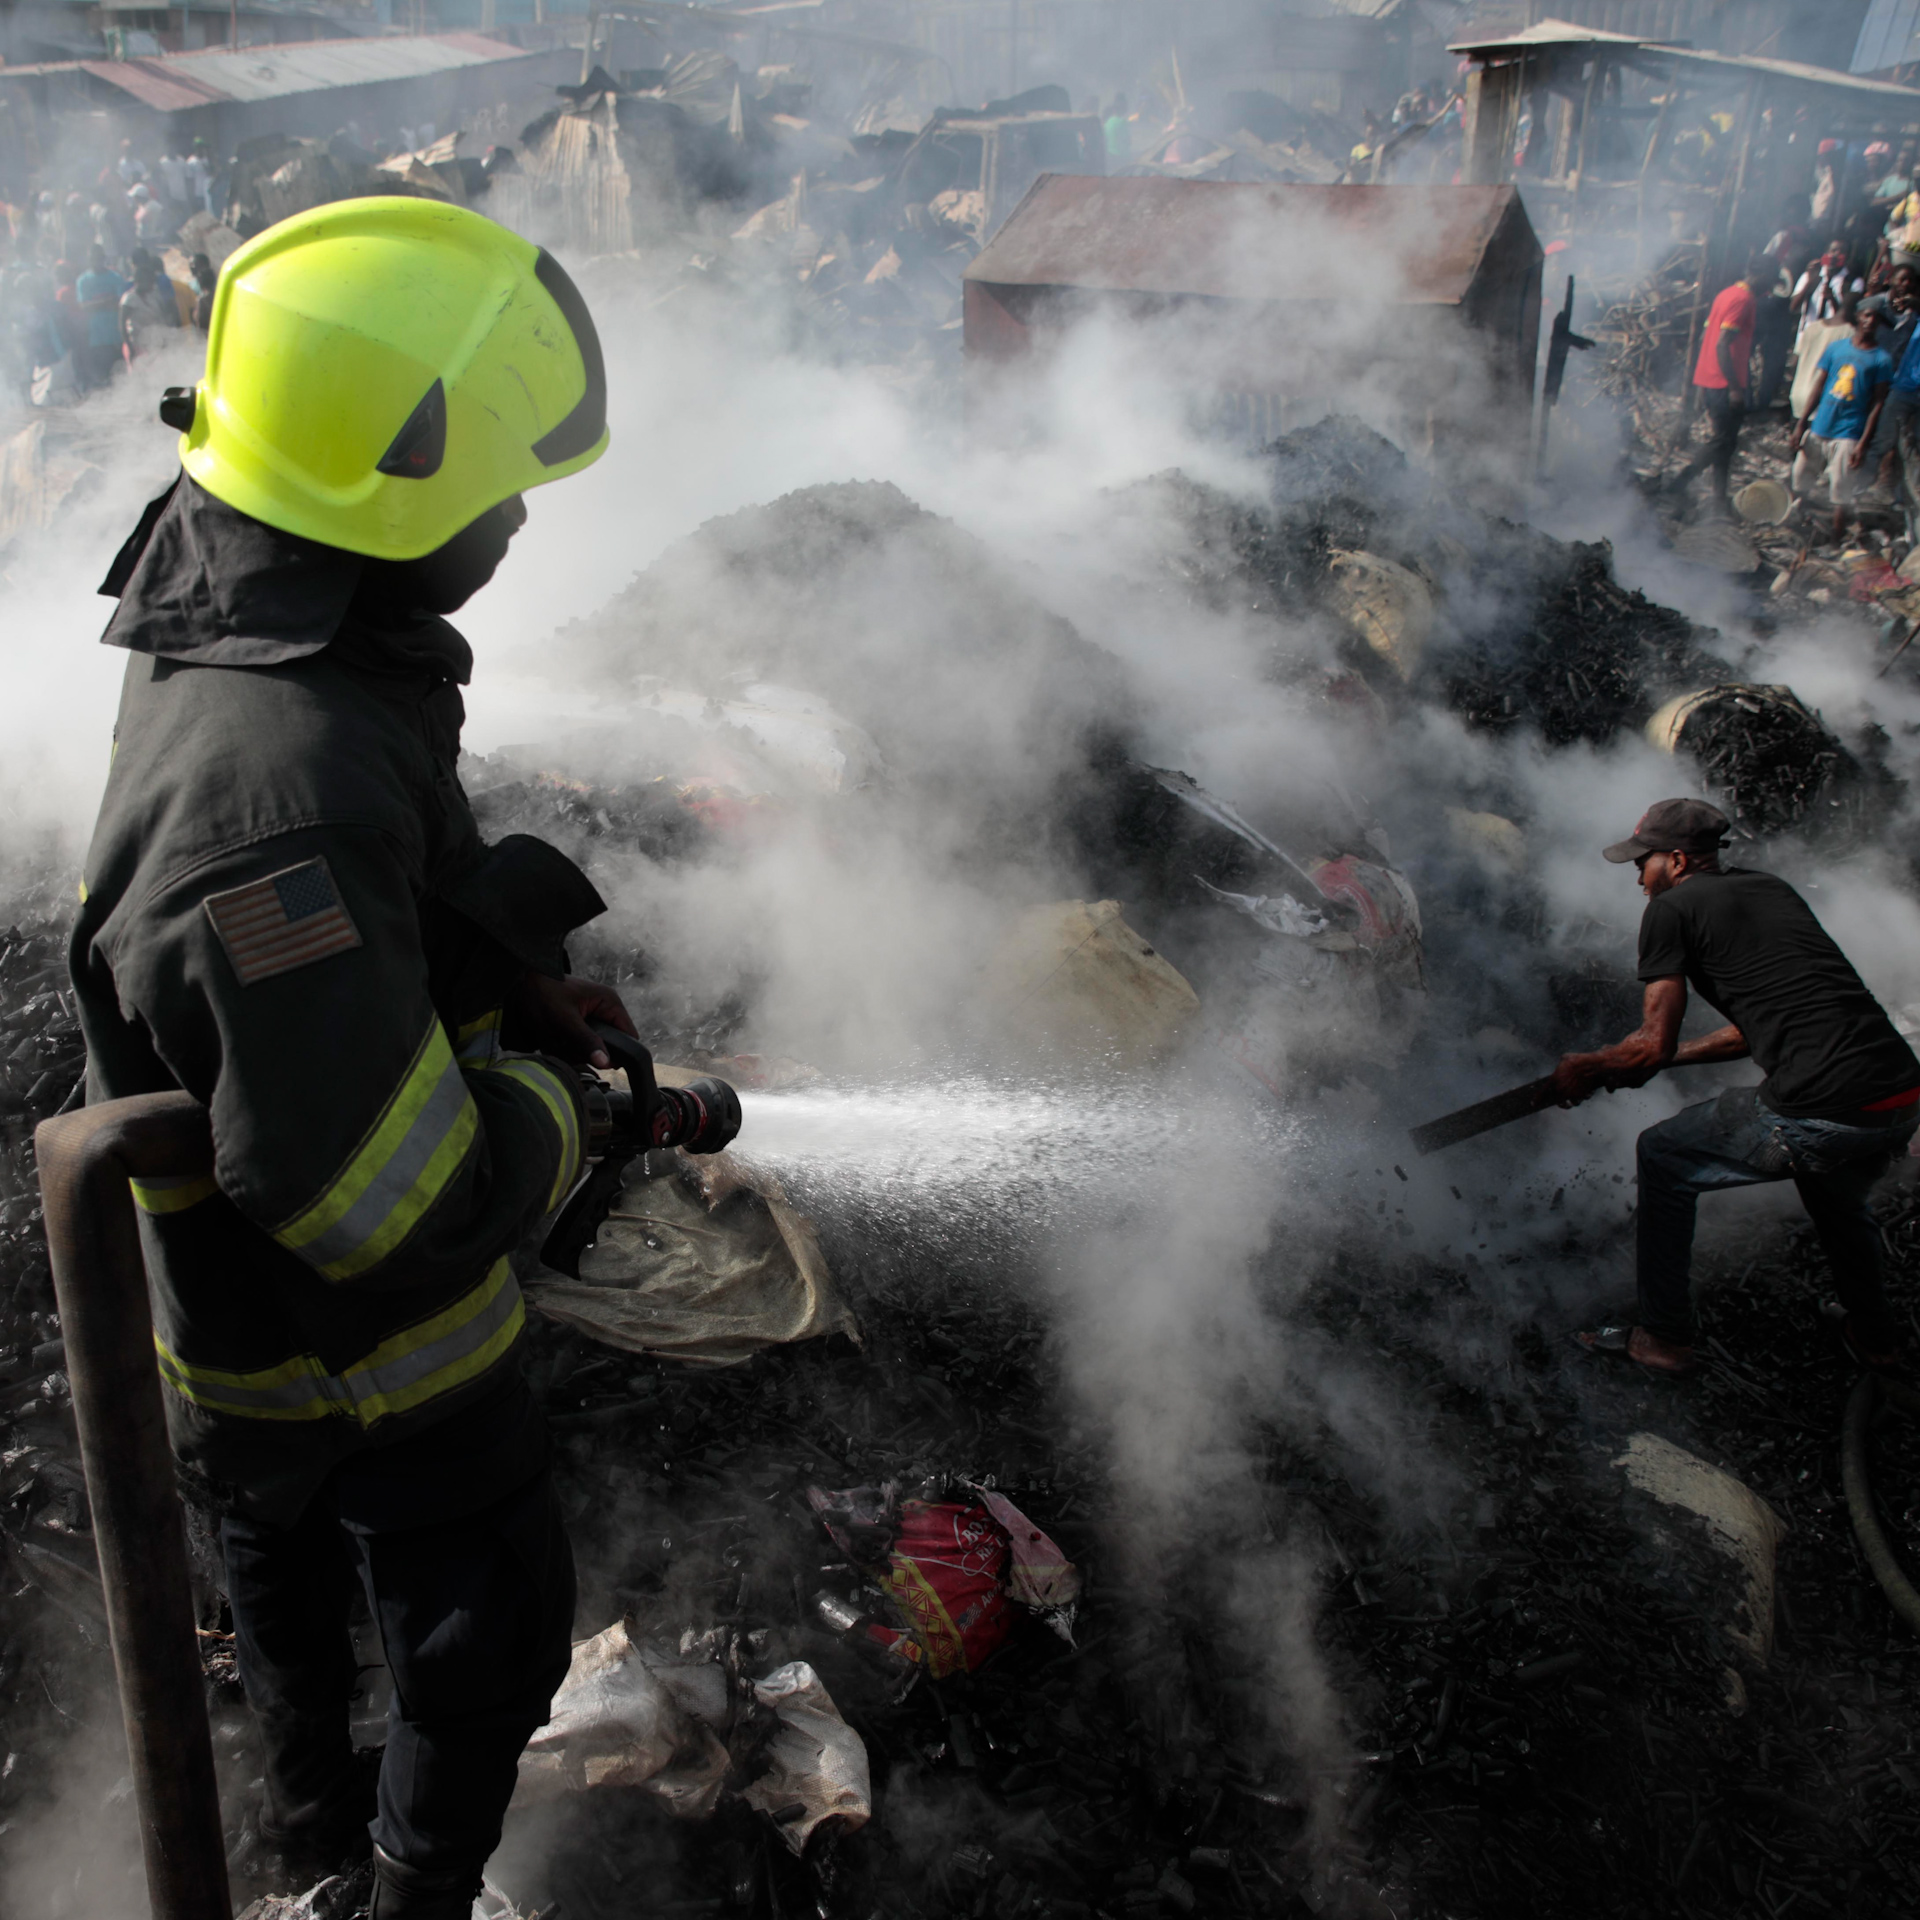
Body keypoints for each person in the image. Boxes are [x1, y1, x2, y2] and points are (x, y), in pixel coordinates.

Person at [71, 199, 616, 1919]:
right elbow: (386, 1208)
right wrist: (565, 1116)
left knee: (293, 1629)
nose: (518, 522)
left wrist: (492, 960)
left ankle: (311, 1856)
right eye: (496, 491)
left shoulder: (266, 589)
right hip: (347, 1357)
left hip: (248, 1339)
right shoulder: (274, 794)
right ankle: (402, 1896)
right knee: (483, 1632)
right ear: (385, 491)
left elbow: (355, 896)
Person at [1556, 800, 1920, 1378]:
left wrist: (1590, 1066)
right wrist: (1652, 1060)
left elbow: (1649, 1046)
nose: (1636, 874)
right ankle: (1876, 1338)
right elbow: (1746, 1034)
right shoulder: (1769, 888)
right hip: (1899, 1096)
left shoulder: (1670, 910)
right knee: (1836, 1195)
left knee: (1663, 1155)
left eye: (1642, 861)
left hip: (1821, 1109)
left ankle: (1665, 1338)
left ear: (1675, 860)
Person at [1789, 296, 1893, 543]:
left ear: (1878, 324)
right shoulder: (1837, 348)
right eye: (1866, 315)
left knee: (1841, 489)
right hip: (1821, 424)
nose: (1869, 321)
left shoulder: (1881, 359)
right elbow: (1820, 384)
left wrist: (1863, 442)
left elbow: (1878, 403)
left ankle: (1835, 538)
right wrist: (1802, 422)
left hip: (1849, 431)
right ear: (1857, 316)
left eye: (1875, 318)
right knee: (1801, 475)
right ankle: (1795, 522)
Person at [1669, 254, 1766, 512]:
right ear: (1762, 276)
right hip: (1724, 381)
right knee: (1723, 440)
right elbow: (1722, 343)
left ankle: (1719, 497)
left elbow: (1708, 335)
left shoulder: (1728, 293)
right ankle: (1681, 480)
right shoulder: (1742, 299)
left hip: (1713, 377)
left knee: (1727, 441)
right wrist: (1734, 387)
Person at [73, 242, 127, 386]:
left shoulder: (115, 277)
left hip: (116, 333)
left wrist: (101, 304)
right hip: (97, 336)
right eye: (93, 258)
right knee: (105, 374)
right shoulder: (83, 281)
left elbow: (122, 302)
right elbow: (84, 306)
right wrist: (104, 303)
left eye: (99, 258)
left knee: (121, 372)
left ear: (104, 258)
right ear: (89, 260)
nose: (96, 261)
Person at [118, 251, 181, 358]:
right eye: (150, 282)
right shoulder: (129, 299)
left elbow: (164, 316)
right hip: (137, 345)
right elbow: (122, 325)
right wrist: (129, 346)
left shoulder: (154, 296)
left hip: (157, 343)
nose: (152, 285)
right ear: (140, 281)